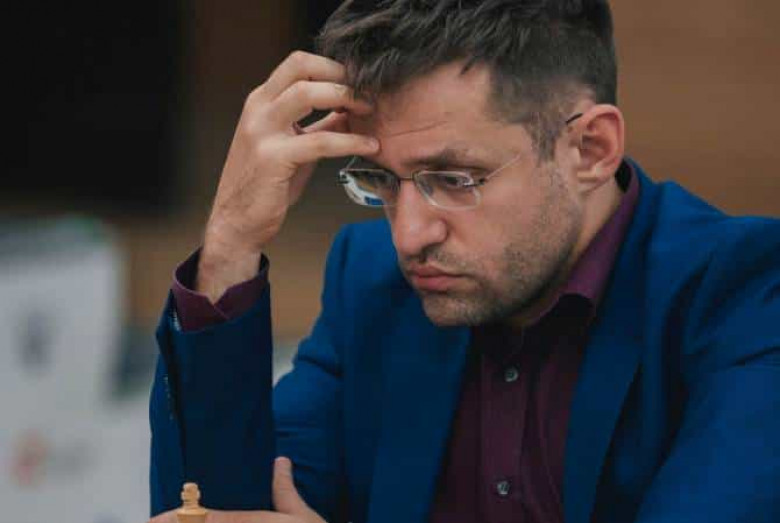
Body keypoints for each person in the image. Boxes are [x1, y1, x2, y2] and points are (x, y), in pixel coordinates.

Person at [148, 1, 780, 522]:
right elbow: (206, 511)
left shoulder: (745, 292)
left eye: (453, 179)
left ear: (590, 149)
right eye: (381, 179)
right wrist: (231, 243)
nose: (407, 237)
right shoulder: (371, 280)